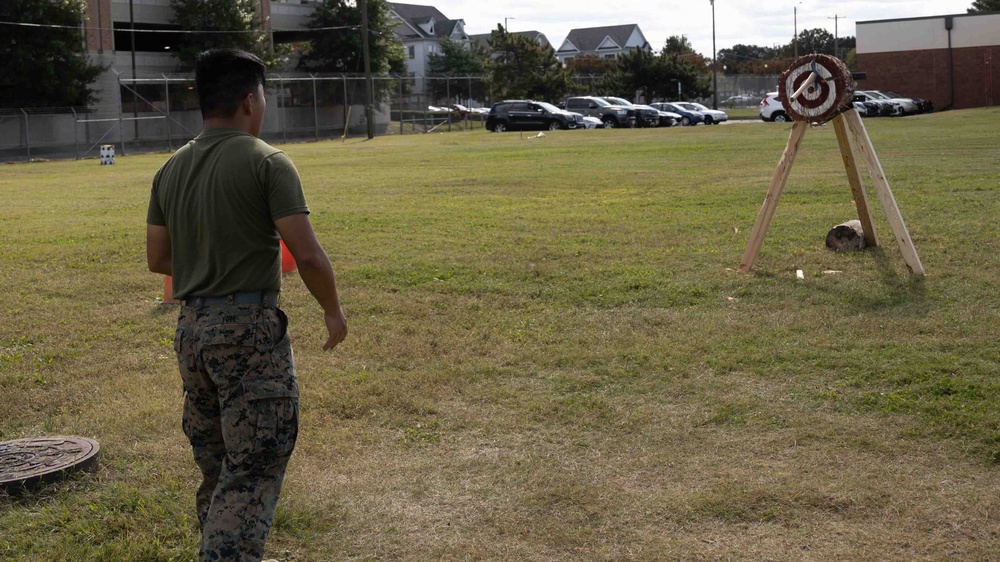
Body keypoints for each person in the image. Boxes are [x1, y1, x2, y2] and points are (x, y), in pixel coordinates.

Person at [146, 48, 347, 562]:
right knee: (254, 465)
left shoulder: (170, 169)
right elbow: (308, 255)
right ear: (248, 100)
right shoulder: (267, 161)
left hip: (191, 330)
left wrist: (209, 263)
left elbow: (158, 259)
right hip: (247, 331)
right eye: (264, 94)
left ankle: (220, 549)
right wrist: (332, 310)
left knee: (217, 464)